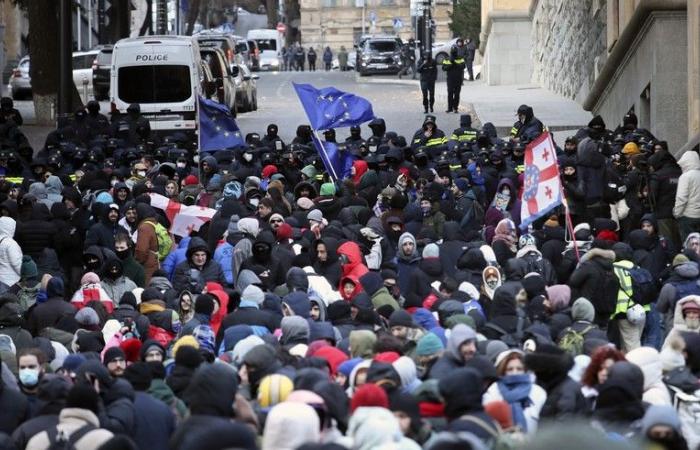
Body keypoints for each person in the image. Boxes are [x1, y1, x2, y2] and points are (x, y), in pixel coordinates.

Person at [673, 150, 700, 242]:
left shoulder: (685, 177)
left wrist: (676, 213)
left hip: (688, 216)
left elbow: (681, 198)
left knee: (688, 244)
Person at [442, 45, 465, 113]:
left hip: (458, 79)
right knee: (450, 93)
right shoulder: (447, 58)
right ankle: (450, 108)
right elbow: (444, 68)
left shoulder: (460, 58)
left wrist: (455, 62)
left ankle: (455, 108)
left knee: (457, 94)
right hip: (450, 79)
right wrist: (450, 63)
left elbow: (463, 66)